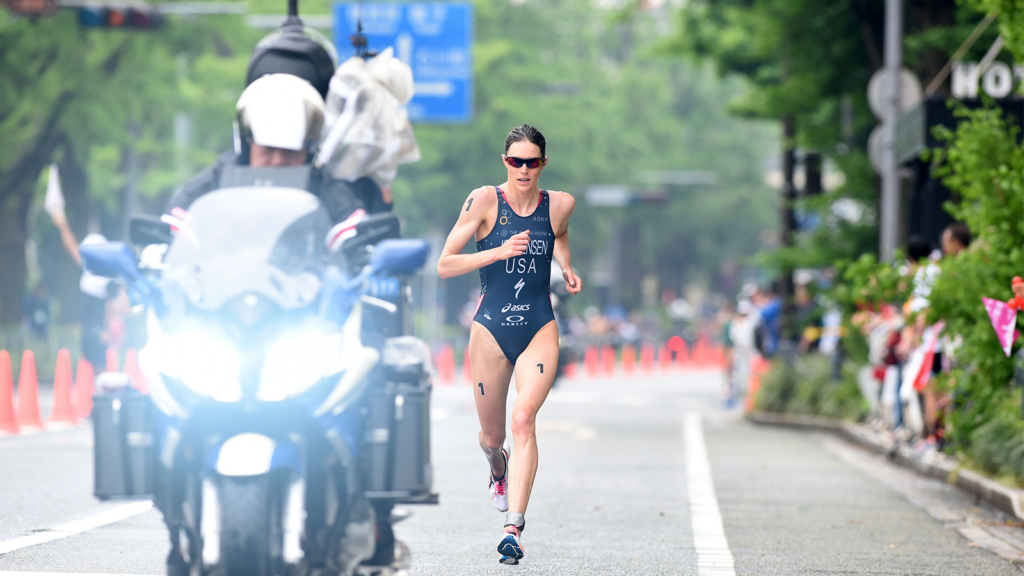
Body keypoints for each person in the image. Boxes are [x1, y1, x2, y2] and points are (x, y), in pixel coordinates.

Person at [436, 124, 581, 565]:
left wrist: (567, 266)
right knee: (493, 436)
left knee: (524, 420)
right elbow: (445, 264)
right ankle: (497, 469)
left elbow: (558, 234)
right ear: (505, 162)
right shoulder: (483, 201)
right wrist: (497, 252)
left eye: (531, 162)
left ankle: (513, 528)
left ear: (543, 164)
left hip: (539, 326)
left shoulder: (560, 204)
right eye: (515, 161)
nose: (523, 169)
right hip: (490, 331)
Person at [165, 73, 364, 224]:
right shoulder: (208, 188)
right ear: (246, 144)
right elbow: (170, 228)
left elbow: (358, 238)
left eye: (289, 151)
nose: (278, 160)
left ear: (310, 151)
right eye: (268, 149)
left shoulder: (331, 193)